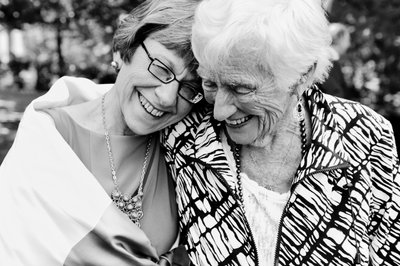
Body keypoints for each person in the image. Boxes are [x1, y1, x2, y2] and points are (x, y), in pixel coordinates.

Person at [161, 0, 400, 265]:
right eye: (211, 83)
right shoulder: (185, 135)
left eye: (240, 89)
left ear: (302, 77)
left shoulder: (365, 135)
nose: (219, 111)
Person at [0, 0, 202, 265]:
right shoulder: (47, 143)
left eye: (189, 87)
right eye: (162, 68)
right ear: (122, 49)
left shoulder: (183, 153)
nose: (167, 97)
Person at [319, 22, 358, 99]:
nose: (349, 44)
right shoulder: (330, 62)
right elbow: (334, 93)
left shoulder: (323, 58)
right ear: (340, 38)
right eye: (347, 40)